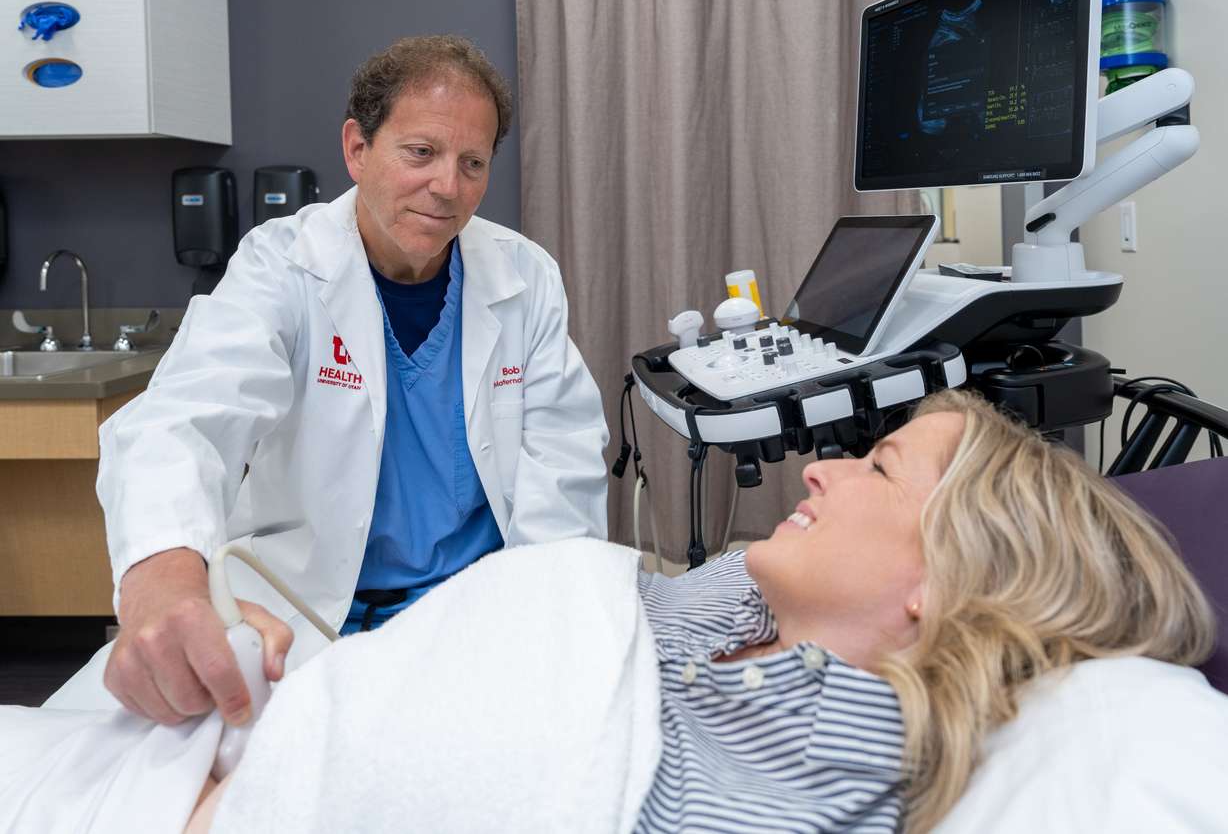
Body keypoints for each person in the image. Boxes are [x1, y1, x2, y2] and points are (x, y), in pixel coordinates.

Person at [182, 389, 1222, 832]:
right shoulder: (737, 599)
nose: (819, 468)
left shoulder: (810, 771)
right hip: (253, 708)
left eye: (877, 465)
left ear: (945, 580)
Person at [46, 35, 610, 724]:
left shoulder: (524, 277)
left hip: (476, 615)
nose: (448, 187)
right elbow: (187, 414)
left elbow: (563, 470)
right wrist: (161, 575)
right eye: (421, 152)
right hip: (307, 614)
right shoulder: (282, 267)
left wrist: (546, 628)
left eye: (473, 163)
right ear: (357, 148)